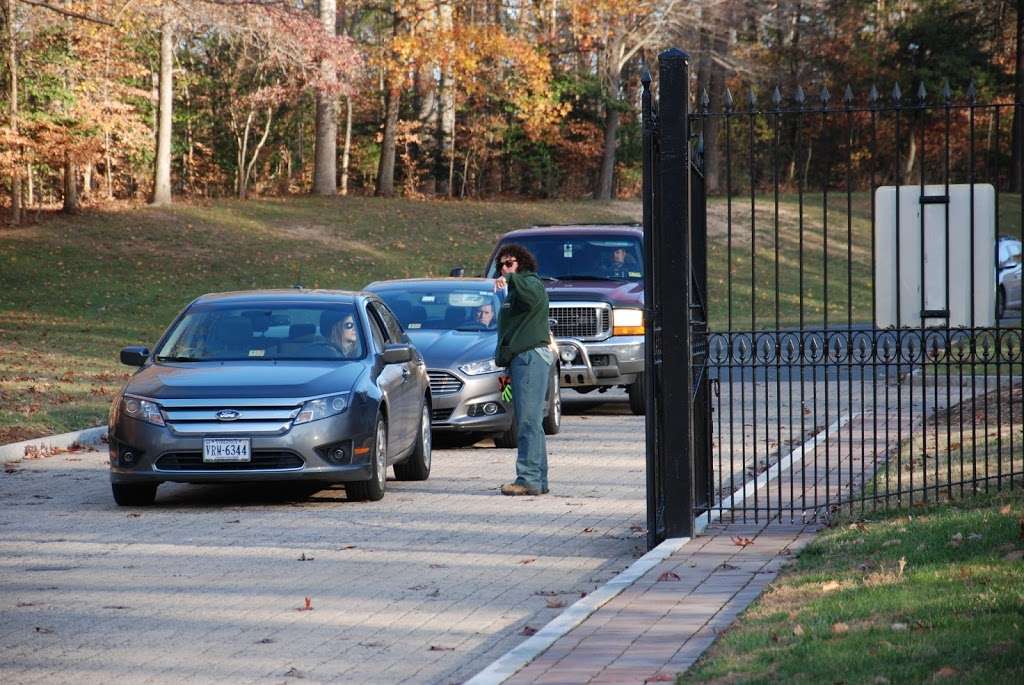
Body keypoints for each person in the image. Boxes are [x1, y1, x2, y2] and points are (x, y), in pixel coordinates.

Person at [493, 244, 554, 496]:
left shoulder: (530, 283)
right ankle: (538, 479)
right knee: (532, 421)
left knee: (528, 421)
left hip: (530, 357)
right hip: (519, 359)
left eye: (510, 263)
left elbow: (532, 297)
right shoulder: (515, 289)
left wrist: (512, 278)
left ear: (522, 263)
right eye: (501, 265)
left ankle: (527, 478)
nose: (504, 269)